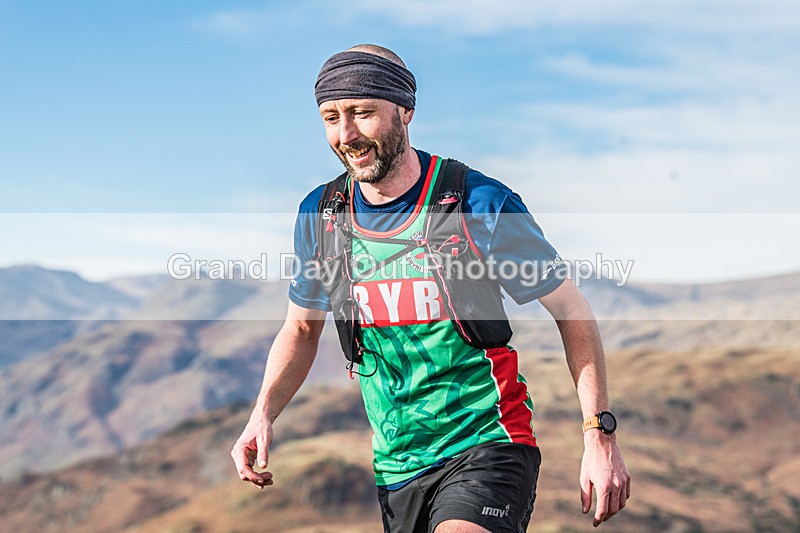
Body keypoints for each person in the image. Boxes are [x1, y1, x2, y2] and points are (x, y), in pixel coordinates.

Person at [232, 44, 631, 532]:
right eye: (331, 118)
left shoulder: (479, 202)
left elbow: (571, 309)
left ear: (405, 111)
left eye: (362, 113)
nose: (346, 135)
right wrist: (262, 414)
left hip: (489, 442)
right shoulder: (323, 214)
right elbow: (301, 330)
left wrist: (598, 435)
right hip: (397, 468)